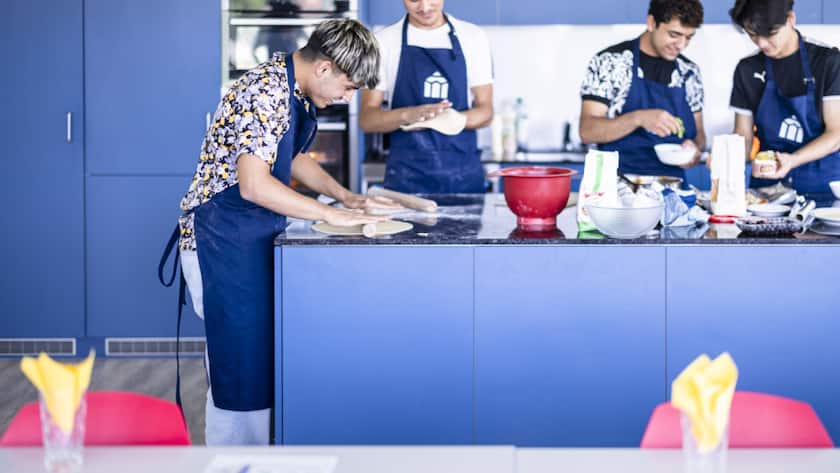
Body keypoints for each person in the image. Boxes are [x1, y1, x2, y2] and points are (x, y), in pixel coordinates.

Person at [166, 19, 396, 446]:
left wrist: (344, 197)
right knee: (241, 368)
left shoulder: (292, 85)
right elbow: (254, 184)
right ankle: (236, 461)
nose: (349, 98)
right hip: (223, 240)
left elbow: (294, 158)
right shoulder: (266, 90)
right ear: (325, 67)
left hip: (249, 236)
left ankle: (268, 458)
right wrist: (334, 216)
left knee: (261, 361)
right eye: (348, 87)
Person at [359, 0, 494, 194]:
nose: (424, 7)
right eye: (414, 0)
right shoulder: (383, 42)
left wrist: (451, 119)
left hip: (463, 177)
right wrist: (408, 115)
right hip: (406, 180)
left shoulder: (473, 37)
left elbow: (486, 111)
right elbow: (367, 119)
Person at [579, 0, 706, 181]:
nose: (681, 45)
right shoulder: (609, 62)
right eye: (674, 34)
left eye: (689, 37)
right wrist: (638, 118)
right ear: (652, 23)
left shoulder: (689, 72)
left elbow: (700, 134)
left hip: (671, 187)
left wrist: (694, 148)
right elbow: (587, 131)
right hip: (617, 184)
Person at [729, 0, 840, 194]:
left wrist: (793, 160)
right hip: (767, 192)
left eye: (770, 34)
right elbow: (743, 137)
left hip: (823, 189)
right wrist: (726, 157)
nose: (762, 43)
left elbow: (836, 134)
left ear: (790, 19)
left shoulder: (827, 62)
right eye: (752, 35)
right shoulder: (747, 69)